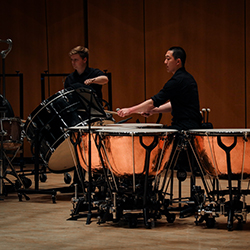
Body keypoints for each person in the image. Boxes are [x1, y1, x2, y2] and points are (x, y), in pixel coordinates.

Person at [117, 46, 202, 130]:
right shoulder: (187, 78)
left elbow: (153, 102)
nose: (165, 62)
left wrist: (129, 110)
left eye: (168, 59)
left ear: (178, 61)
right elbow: (175, 104)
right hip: (191, 125)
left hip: (184, 128)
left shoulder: (177, 81)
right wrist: (153, 111)